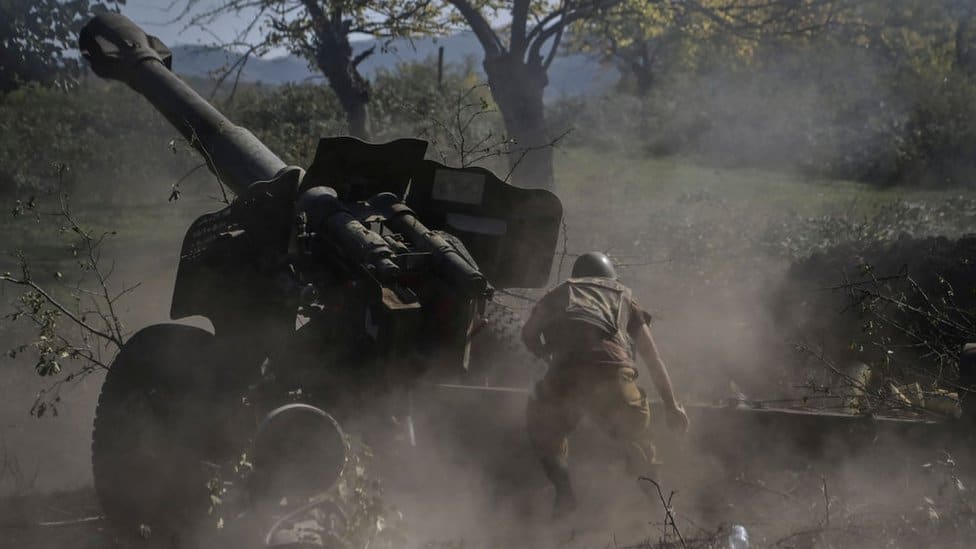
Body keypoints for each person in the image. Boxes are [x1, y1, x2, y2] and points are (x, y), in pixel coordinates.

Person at [521, 251, 689, 517]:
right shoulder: (623, 295)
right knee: (637, 441)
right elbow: (652, 357)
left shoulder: (561, 291)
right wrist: (672, 405)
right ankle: (660, 510)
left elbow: (528, 333)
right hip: (613, 373)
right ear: (610, 278)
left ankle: (565, 494)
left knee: (545, 431)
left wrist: (545, 354)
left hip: (565, 373)